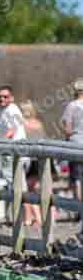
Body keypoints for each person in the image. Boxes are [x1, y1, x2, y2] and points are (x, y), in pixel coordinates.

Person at [0, 85, 34, 226]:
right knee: (19, 185)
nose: (2, 99)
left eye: (5, 96)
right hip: (18, 152)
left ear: (11, 98)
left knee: (18, 186)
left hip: (14, 153)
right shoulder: (9, 110)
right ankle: (26, 217)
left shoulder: (10, 109)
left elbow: (12, 130)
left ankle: (28, 217)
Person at [20, 100, 45, 227]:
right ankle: (38, 218)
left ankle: (31, 218)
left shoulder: (23, 124)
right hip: (39, 159)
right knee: (34, 191)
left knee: (27, 191)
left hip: (29, 159)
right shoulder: (39, 124)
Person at [61, 79, 83, 208]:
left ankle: (80, 209)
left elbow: (68, 130)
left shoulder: (72, 106)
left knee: (77, 179)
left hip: (76, 145)